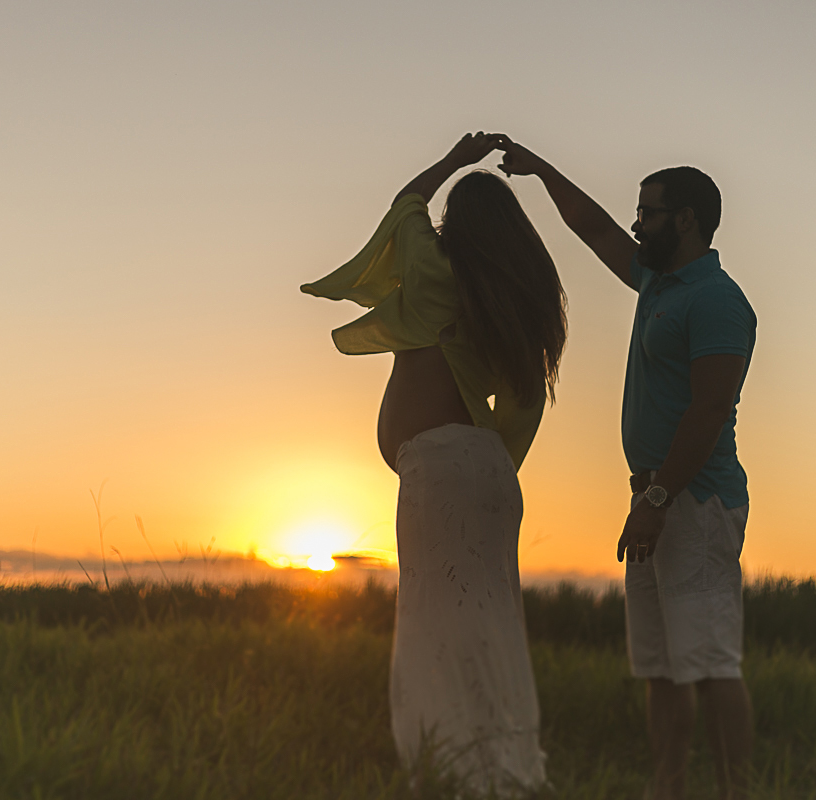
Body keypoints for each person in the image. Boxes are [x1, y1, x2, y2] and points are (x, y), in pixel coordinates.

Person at [300, 133, 567, 796]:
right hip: (488, 475)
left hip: (444, 476)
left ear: (459, 228)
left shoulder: (433, 278)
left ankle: (452, 772)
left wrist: (454, 162)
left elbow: (405, 205)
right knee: (487, 624)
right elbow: (523, 410)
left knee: (435, 626)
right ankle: (495, 767)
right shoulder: (511, 303)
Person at [497, 137, 756, 800]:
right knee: (663, 669)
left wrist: (661, 498)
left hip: (694, 504)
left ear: (686, 220)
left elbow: (707, 412)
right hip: (654, 500)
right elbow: (592, 228)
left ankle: (737, 791)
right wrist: (538, 166)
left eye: (648, 211)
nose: (636, 222)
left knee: (712, 663)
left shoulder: (719, 300)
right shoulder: (656, 280)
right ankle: (666, 789)